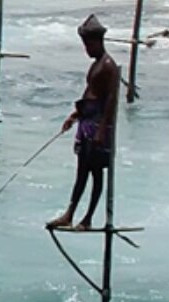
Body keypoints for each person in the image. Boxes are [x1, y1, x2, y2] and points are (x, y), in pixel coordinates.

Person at [47, 15, 120, 231]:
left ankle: (87, 218)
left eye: (88, 44)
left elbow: (111, 100)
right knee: (81, 171)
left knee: (96, 173)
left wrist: (101, 130)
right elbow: (89, 94)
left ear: (97, 41)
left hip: (99, 126)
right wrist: (74, 115)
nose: (86, 49)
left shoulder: (109, 66)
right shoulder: (95, 65)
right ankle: (69, 213)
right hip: (87, 122)